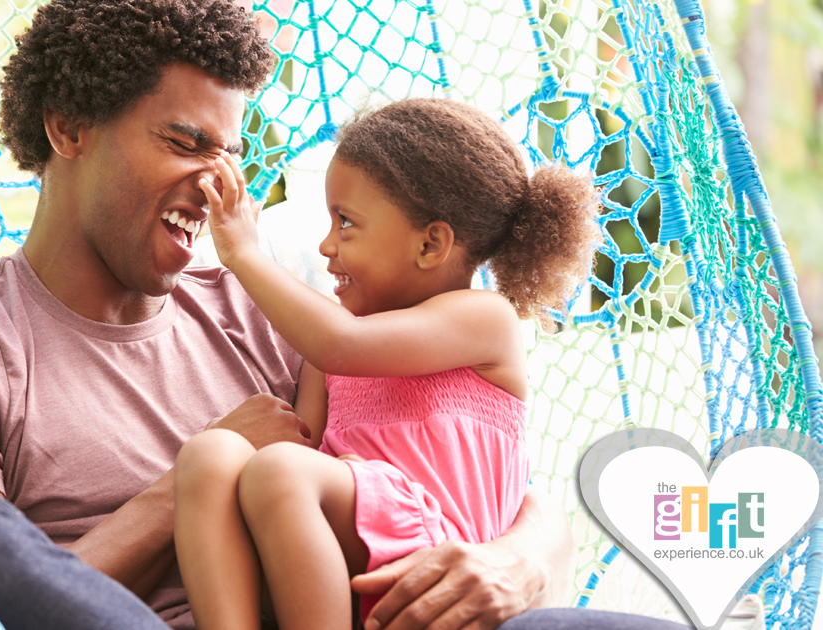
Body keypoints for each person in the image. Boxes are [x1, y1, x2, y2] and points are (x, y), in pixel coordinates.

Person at [0, 1, 691, 629]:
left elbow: (488, 485)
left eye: (229, 154)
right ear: (69, 127)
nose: (217, 182)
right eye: (188, 141)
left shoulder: (273, 315)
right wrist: (185, 485)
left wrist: (519, 563)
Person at [174, 97, 599, 630]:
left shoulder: (483, 319)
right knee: (209, 455)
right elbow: (303, 450)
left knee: (280, 472)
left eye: (346, 223)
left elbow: (342, 344)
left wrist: (243, 252)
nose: (325, 245)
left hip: (443, 566)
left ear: (430, 243)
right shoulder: (330, 352)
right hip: (346, 566)